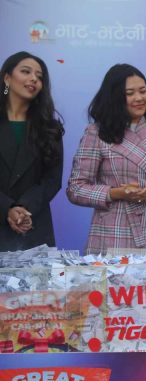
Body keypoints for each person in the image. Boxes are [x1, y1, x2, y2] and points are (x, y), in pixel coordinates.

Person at [67, 64, 146, 253]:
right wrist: (115, 193)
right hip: (112, 233)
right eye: (130, 93)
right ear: (114, 97)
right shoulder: (97, 133)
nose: (139, 98)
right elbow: (76, 188)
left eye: (143, 91)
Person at [0, 51, 64, 251]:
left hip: (33, 225)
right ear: (7, 78)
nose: (34, 79)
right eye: (26, 72)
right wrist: (7, 208)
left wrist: (23, 209)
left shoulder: (50, 128)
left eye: (39, 76)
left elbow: (52, 180)